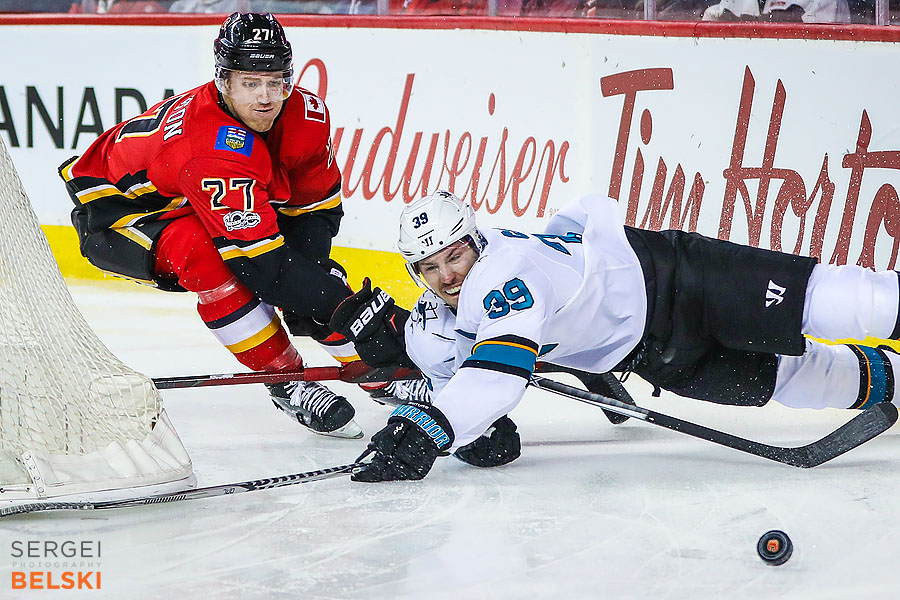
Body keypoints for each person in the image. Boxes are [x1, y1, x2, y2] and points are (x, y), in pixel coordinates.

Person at [347, 189, 900, 481]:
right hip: (649, 352)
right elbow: (492, 431)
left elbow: (496, 374)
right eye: (428, 266)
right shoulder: (431, 329)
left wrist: (430, 426)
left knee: (827, 303)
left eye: (456, 255)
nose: (447, 276)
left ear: (475, 240)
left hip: (673, 276)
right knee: (783, 380)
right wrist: (465, 435)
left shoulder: (503, 274)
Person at [59, 12, 411, 440]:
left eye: (276, 80)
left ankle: (383, 375)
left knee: (314, 281)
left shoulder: (305, 114)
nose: (266, 97)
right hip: (120, 216)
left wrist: (326, 303)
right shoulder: (207, 148)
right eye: (250, 83)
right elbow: (262, 265)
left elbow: (315, 210)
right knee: (210, 258)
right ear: (223, 81)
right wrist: (355, 315)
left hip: (191, 194)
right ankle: (285, 378)